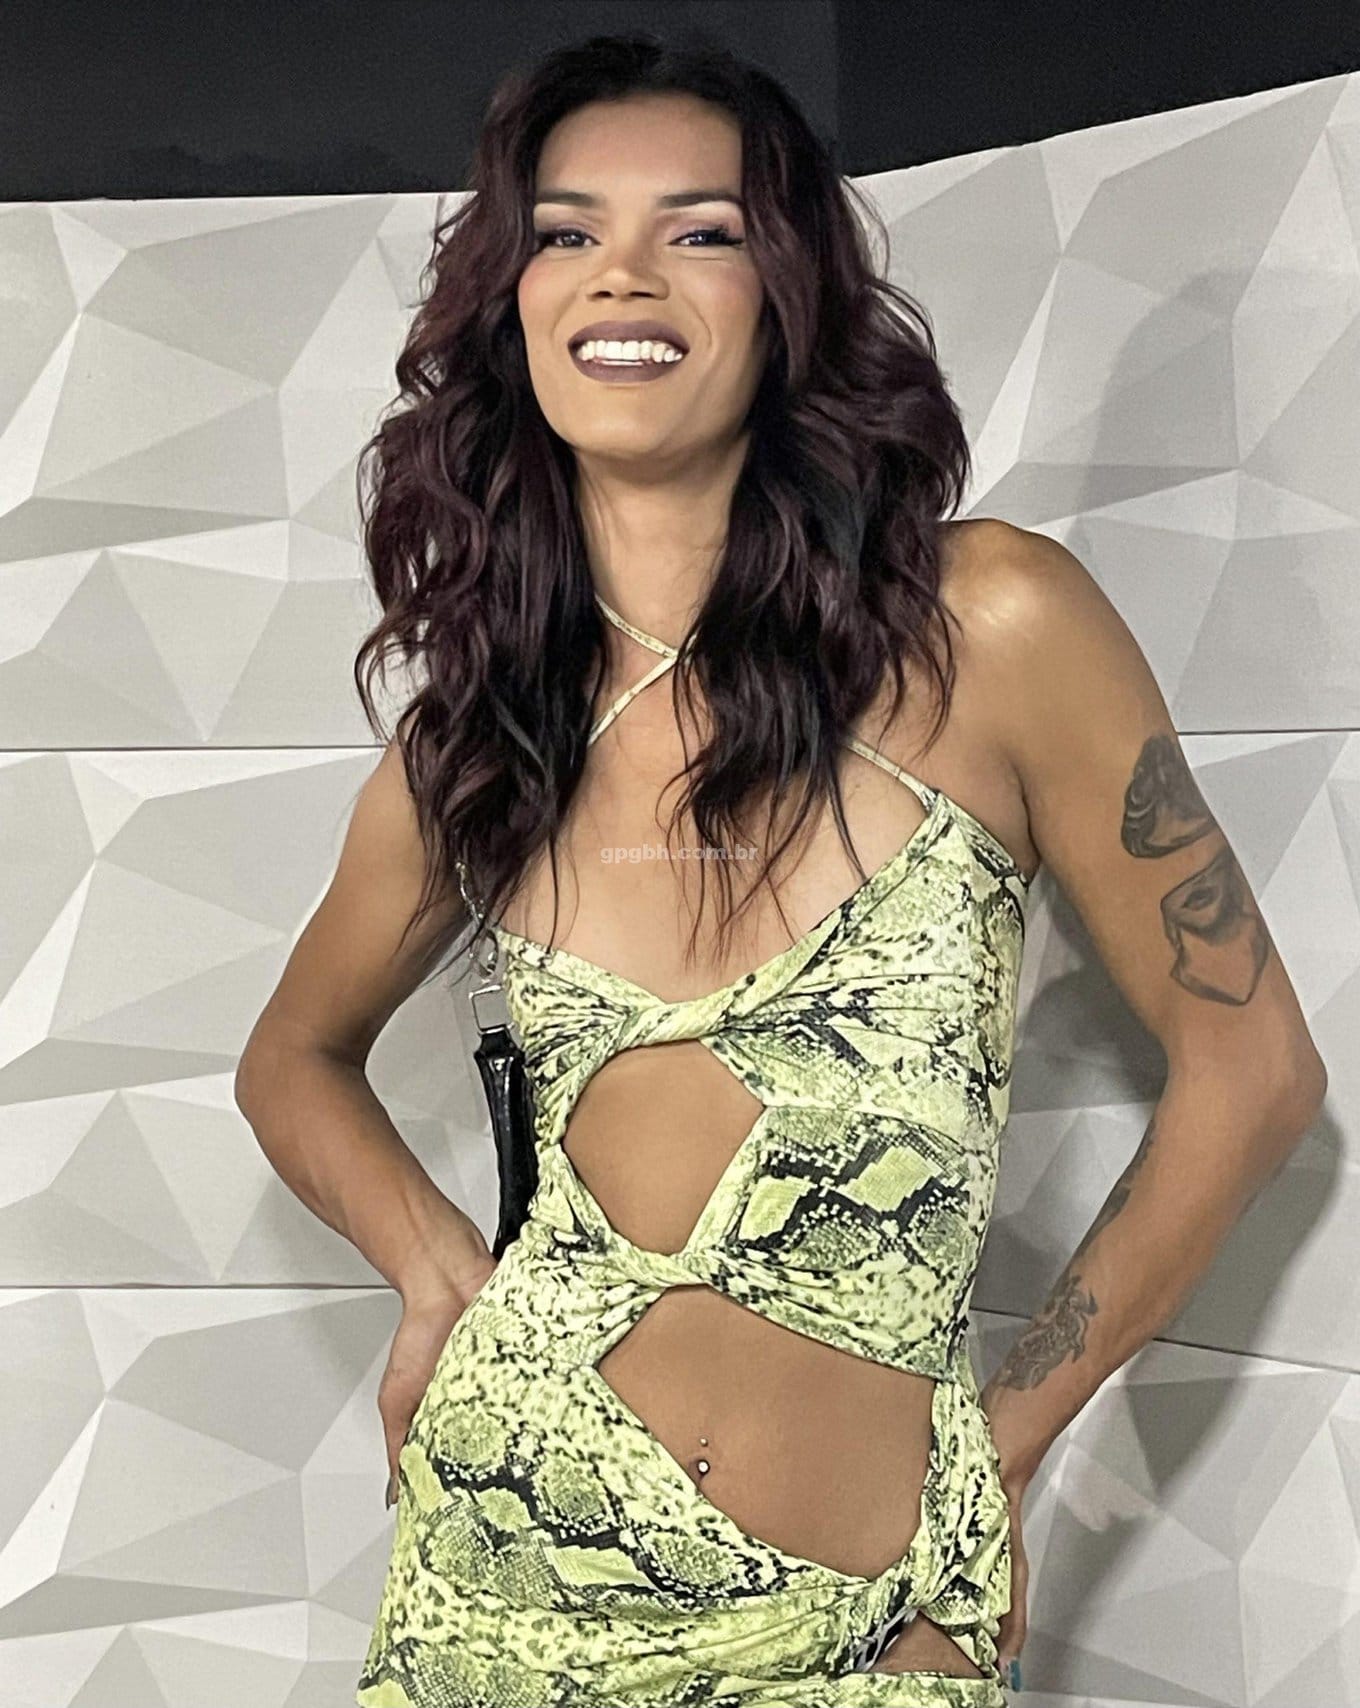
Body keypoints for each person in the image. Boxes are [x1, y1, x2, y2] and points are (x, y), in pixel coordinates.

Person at [234, 31, 1328, 1708]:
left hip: (860, 1637)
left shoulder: (993, 625)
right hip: (494, 1601)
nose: (624, 272)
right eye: (567, 230)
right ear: (513, 304)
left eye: (702, 229)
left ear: (786, 296)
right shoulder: (484, 736)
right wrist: (438, 1267)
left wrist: (1003, 1444)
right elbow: (289, 1057)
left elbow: (1254, 1071)